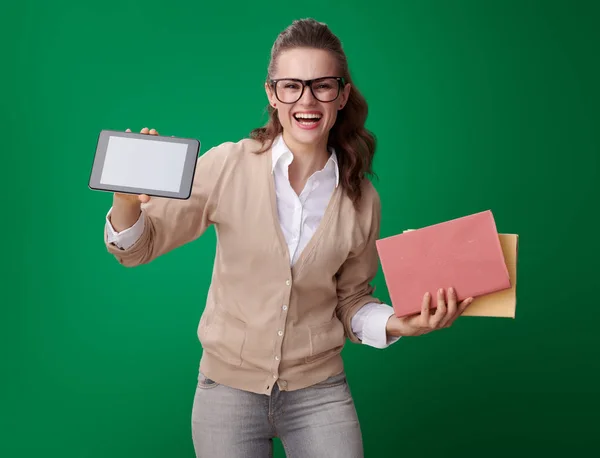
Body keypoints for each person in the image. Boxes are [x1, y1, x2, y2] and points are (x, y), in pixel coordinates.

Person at [103, 18, 473, 458]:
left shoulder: (362, 198)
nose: (307, 99)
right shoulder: (228, 166)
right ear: (272, 94)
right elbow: (139, 246)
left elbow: (351, 299)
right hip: (227, 391)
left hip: (320, 394)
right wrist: (126, 201)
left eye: (322, 86)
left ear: (342, 95)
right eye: (291, 86)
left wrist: (398, 324)